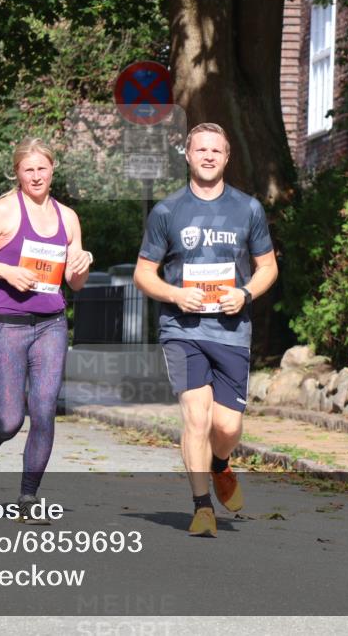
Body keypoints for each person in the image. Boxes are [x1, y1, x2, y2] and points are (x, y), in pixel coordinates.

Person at [133, 123, 278, 537]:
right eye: (201, 150)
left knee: (227, 427)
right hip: (182, 330)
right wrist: (175, 295)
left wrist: (245, 294)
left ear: (227, 157)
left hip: (231, 330)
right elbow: (144, 274)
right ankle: (202, 508)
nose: (209, 156)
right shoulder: (167, 212)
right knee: (196, 417)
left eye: (216, 150)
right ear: (188, 155)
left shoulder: (248, 209)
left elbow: (268, 267)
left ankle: (220, 463)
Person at [0, 137, 93, 523]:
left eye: (42, 169)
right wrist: (7, 271)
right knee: (11, 419)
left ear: (53, 170)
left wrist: (81, 264)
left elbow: (75, 282)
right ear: (17, 172)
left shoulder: (68, 218)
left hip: (51, 326)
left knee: (45, 411)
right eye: (28, 169)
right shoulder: (5, 211)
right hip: (7, 327)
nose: (36, 176)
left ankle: (28, 498)